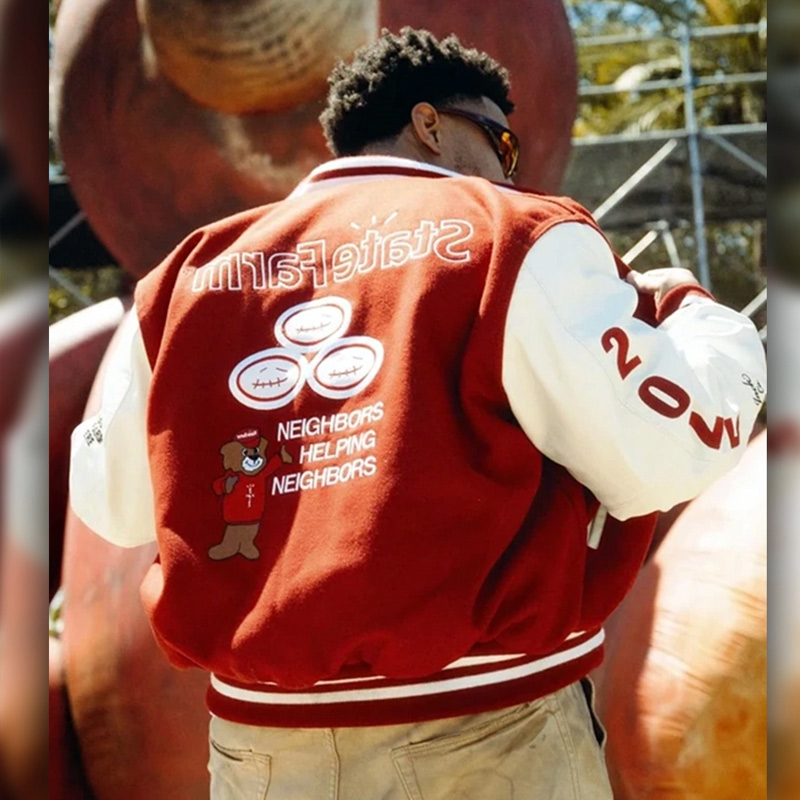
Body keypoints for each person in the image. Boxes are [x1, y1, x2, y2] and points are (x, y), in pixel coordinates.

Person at [69, 27, 766, 800]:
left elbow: (113, 506)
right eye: (501, 143)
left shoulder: (187, 273)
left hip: (257, 749)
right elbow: (670, 451)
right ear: (430, 124)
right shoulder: (512, 236)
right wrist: (700, 318)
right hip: (482, 735)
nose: (512, 168)